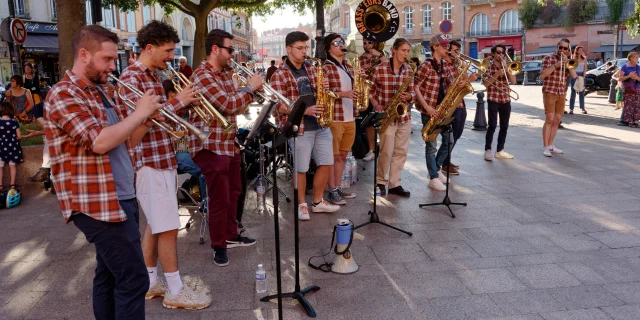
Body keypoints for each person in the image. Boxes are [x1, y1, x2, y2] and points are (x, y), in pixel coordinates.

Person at [44, 25, 165, 319]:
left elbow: (126, 140)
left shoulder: (102, 91)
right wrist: (139, 112)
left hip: (121, 194)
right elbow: (98, 141)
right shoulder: (63, 93)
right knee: (134, 277)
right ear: (84, 54)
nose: (114, 66)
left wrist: (147, 119)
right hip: (96, 203)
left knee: (109, 275)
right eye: (107, 59)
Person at [115, 20, 210, 309]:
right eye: (168, 50)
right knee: (168, 227)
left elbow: (158, 119)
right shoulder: (132, 78)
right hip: (147, 161)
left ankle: (150, 280)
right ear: (149, 48)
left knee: (156, 226)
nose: (171, 56)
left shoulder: (152, 76)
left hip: (160, 158)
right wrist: (178, 101)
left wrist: (182, 107)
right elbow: (141, 121)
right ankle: (176, 290)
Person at [188, 29, 260, 265]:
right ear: (215, 49)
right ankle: (218, 245)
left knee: (235, 193)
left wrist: (247, 93)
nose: (233, 54)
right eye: (230, 50)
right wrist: (249, 89)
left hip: (228, 143)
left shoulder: (226, 74)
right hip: (210, 145)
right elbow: (228, 104)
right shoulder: (202, 75)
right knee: (219, 199)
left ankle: (231, 235)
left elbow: (237, 109)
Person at [270, 31, 340, 220]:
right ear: (289, 49)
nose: (304, 51)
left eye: (305, 47)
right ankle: (302, 204)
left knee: (326, 163)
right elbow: (279, 105)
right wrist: (304, 110)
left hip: (321, 124)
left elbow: (323, 92)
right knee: (301, 168)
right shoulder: (280, 75)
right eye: (300, 48)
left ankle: (317, 201)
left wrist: (325, 86)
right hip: (299, 128)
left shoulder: (311, 67)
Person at [370, 38, 414, 197]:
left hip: (404, 117)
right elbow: (371, 91)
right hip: (387, 116)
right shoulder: (380, 68)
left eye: (408, 51)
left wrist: (410, 96)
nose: (406, 54)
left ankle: (395, 184)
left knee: (401, 152)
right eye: (403, 50)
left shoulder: (409, 70)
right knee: (386, 152)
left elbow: (413, 93)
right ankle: (381, 181)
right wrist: (377, 105)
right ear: (394, 50)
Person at [414, 35, 457, 192]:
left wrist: (464, 77)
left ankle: (436, 169)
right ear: (435, 47)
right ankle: (433, 177)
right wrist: (427, 108)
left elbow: (452, 83)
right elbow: (416, 87)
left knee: (449, 141)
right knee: (431, 145)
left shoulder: (445, 64)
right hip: (430, 111)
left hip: (443, 110)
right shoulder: (426, 65)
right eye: (444, 46)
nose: (446, 48)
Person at [322, 33, 358, 205]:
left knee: (343, 155)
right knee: (333, 156)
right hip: (335, 117)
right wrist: (344, 94)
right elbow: (323, 93)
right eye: (336, 43)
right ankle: (332, 190)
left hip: (350, 116)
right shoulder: (326, 68)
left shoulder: (349, 67)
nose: (341, 45)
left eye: (342, 42)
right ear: (329, 49)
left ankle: (336, 186)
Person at [161, 80, 207, 202]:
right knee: (204, 169)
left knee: (209, 162)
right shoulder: (165, 108)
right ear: (171, 94)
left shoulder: (179, 109)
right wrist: (181, 135)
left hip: (182, 149)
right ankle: (206, 206)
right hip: (173, 154)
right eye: (177, 94)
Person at [441, 40, 476, 172]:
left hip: (460, 103)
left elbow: (464, 82)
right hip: (451, 105)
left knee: (458, 134)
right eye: (456, 51)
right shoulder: (444, 65)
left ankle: (447, 160)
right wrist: (469, 79)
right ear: (448, 50)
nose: (458, 54)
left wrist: (464, 69)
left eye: (459, 51)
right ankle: (444, 163)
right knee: (451, 136)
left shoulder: (456, 64)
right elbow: (452, 85)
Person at [539, 38, 577, 157]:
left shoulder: (569, 60)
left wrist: (568, 64)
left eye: (565, 48)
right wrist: (555, 66)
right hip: (550, 91)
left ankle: (551, 145)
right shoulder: (548, 58)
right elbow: (542, 75)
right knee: (549, 118)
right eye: (561, 47)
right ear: (557, 47)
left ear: (568, 49)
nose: (562, 50)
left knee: (557, 120)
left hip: (562, 92)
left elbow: (574, 76)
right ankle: (545, 147)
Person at [483, 44, 517, 161]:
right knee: (492, 126)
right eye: (498, 52)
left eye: (502, 52)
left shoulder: (508, 65)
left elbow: (513, 82)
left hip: (505, 99)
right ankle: (488, 150)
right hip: (493, 98)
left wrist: (507, 70)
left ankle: (500, 150)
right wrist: (496, 74)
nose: (501, 55)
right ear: (493, 54)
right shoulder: (488, 66)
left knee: (504, 126)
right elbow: (486, 84)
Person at [359, 40, 385, 162]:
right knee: (369, 123)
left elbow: (389, 64)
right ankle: (371, 150)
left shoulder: (381, 55)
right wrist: (361, 69)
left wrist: (379, 56)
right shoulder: (360, 58)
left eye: (369, 42)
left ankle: (384, 149)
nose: (366, 45)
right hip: (367, 93)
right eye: (364, 42)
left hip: (382, 93)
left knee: (383, 123)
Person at [0, 102, 23, 190]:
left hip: (1, 147)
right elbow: (19, 136)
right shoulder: (14, 122)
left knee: (0, 166)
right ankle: (12, 185)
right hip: (12, 147)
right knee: (12, 165)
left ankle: (0, 185)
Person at [614, 51, 640, 127]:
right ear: (631, 58)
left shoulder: (638, 67)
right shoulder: (624, 67)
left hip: (637, 89)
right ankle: (629, 122)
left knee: (637, 105)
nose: (637, 58)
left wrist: (637, 78)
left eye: (637, 57)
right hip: (628, 89)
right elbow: (619, 79)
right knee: (629, 105)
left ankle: (635, 121)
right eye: (635, 57)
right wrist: (628, 76)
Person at [568, 45, 587, 114]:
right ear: (577, 51)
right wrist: (575, 75)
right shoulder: (573, 58)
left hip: (581, 75)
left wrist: (584, 76)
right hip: (574, 75)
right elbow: (571, 68)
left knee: (581, 92)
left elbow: (585, 68)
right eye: (580, 50)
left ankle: (582, 108)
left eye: (582, 50)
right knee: (573, 93)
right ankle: (571, 109)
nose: (581, 51)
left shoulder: (584, 58)